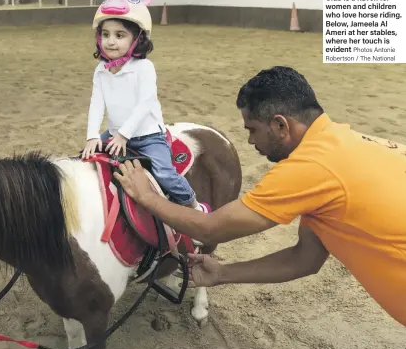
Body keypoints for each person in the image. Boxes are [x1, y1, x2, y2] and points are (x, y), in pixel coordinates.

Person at [113, 66, 406, 326]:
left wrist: (148, 197)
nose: (251, 141)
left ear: (280, 126)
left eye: (252, 130)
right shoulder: (352, 144)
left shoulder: (311, 167)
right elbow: (306, 259)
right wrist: (223, 273)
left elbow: (212, 228)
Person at [81, 0, 202, 211]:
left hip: (147, 136)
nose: (110, 41)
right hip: (116, 134)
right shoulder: (101, 70)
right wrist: (91, 136)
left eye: (120, 35)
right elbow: (96, 104)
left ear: (137, 39)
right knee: (88, 162)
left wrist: (124, 135)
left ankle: (194, 205)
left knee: (164, 173)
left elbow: (145, 104)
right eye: (105, 34)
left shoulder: (144, 68)